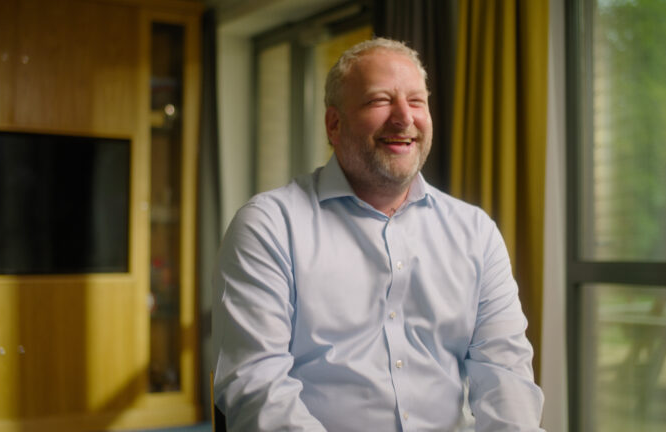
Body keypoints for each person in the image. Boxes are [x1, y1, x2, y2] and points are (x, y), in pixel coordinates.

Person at [212, 37, 544, 431]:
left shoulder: (476, 232)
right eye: (379, 100)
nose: (404, 118)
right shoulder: (268, 227)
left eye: (416, 101)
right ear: (334, 125)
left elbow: (506, 376)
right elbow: (258, 386)